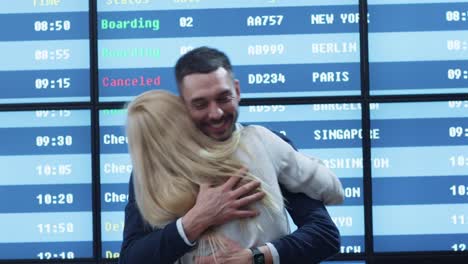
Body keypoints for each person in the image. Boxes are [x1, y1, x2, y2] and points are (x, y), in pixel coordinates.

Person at [119, 46, 343, 264]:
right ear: (183, 105)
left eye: (223, 98)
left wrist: (254, 257)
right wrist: (196, 219)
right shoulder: (158, 166)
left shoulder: (263, 144)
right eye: (200, 103)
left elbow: (324, 235)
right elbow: (131, 258)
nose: (215, 113)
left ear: (237, 90)